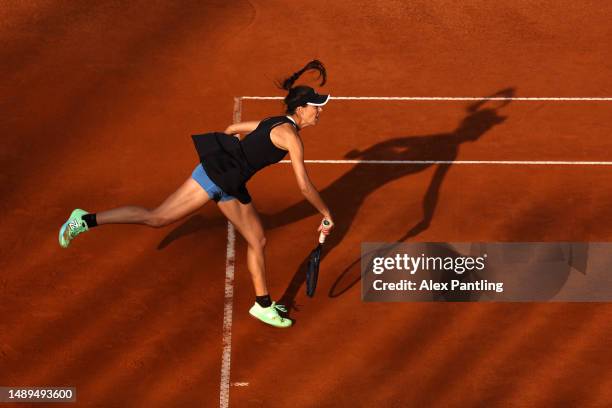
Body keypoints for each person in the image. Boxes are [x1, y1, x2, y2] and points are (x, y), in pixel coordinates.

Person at [58, 60, 335, 328]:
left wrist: (238, 158)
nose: (319, 111)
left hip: (229, 180)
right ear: (300, 108)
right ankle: (84, 220)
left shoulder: (276, 121)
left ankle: (262, 305)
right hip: (218, 178)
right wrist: (325, 213)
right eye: (315, 107)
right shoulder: (291, 138)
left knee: (258, 239)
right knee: (157, 218)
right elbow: (304, 186)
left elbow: (232, 129)